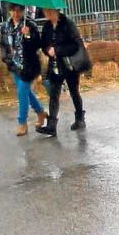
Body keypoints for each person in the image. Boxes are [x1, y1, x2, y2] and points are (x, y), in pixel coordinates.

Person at [37, 7, 86, 137]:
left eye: (48, 11)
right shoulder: (47, 26)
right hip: (54, 65)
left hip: (70, 66)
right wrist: (48, 50)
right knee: (54, 93)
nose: (46, 14)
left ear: (55, 11)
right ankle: (51, 125)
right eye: (45, 11)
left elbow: (75, 45)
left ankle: (80, 118)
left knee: (74, 91)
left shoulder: (68, 24)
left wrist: (57, 50)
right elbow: (43, 44)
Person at [0, 3, 46, 137]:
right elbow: (3, 44)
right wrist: (6, 58)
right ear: (9, 11)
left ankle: (22, 122)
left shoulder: (30, 25)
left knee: (21, 92)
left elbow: (38, 45)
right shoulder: (5, 27)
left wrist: (29, 35)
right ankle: (41, 112)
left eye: (19, 11)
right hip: (14, 65)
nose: (16, 14)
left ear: (23, 11)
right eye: (13, 11)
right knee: (26, 93)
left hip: (28, 66)